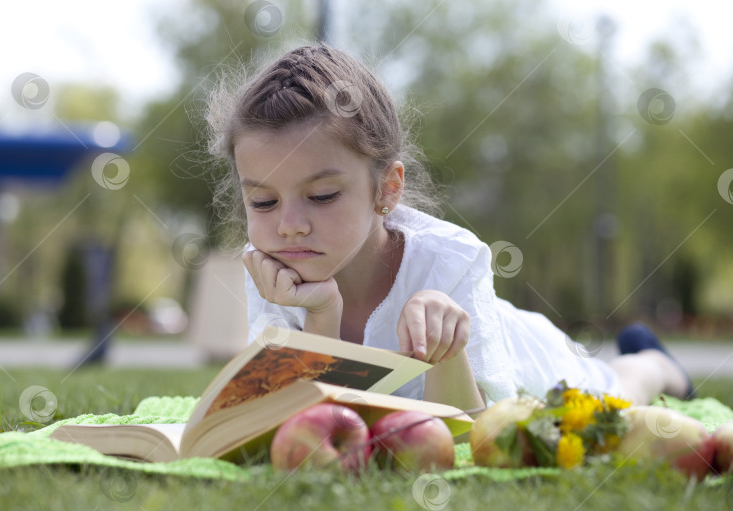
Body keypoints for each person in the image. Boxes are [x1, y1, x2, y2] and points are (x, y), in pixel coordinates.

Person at [204, 42, 693, 412]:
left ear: (387, 190)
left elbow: (472, 429)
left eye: (323, 196)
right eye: (263, 201)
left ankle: (654, 362)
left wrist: (448, 348)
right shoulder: (271, 267)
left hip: (527, 354)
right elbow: (299, 414)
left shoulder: (450, 261)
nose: (289, 226)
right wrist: (323, 309)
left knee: (616, 392)